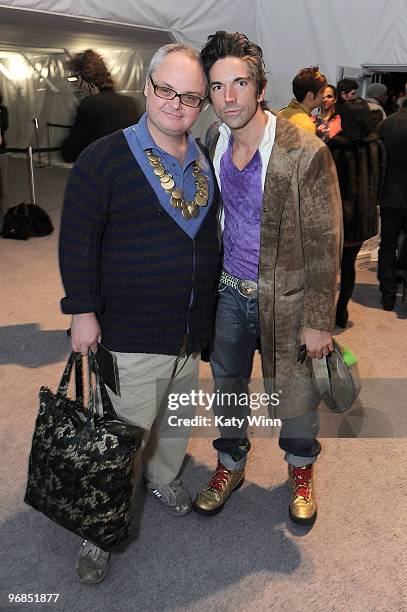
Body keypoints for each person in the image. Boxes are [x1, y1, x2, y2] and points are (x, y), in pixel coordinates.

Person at [59, 43, 220, 584]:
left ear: (201, 104)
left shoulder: (201, 159)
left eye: (190, 96)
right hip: (128, 332)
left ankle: (163, 478)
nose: (177, 104)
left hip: (188, 332)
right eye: (168, 90)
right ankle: (97, 525)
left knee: (174, 424)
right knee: (117, 438)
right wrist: (81, 311)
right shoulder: (104, 158)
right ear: (148, 87)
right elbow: (77, 240)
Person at [193, 31, 342, 526]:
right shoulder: (214, 141)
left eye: (240, 83)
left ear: (260, 88)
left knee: (293, 393)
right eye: (217, 86)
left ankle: (300, 467)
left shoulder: (304, 151)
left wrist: (320, 320)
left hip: (290, 300)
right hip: (229, 296)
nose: (228, 97)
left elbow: (325, 239)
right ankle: (230, 462)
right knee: (228, 386)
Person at [327, 98, 385, 326]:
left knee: (328, 268)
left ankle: (324, 312)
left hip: (338, 218)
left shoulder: (336, 146)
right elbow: (381, 179)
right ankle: (341, 311)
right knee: (348, 266)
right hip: (363, 219)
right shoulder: (376, 144)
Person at [61, 49, 141, 162]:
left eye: (77, 79)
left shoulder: (91, 104)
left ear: (86, 77)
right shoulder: (130, 103)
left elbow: (70, 152)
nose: (78, 86)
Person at [377, 98, 407, 310]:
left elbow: (377, 160)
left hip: (390, 194)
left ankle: (387, 296)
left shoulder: (386, 124)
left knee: (387, 245)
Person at [279, 65, 327, 134]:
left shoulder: (282, 112)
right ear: (310, 95)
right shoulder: (306, 125)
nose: (324, 96)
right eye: (322, 92)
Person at [0, 89, 9, 231]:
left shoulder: (2, 110)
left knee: (2, 187)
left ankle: (4, 222)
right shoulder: (3, 110)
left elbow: (5, 126)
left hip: (1, 150)